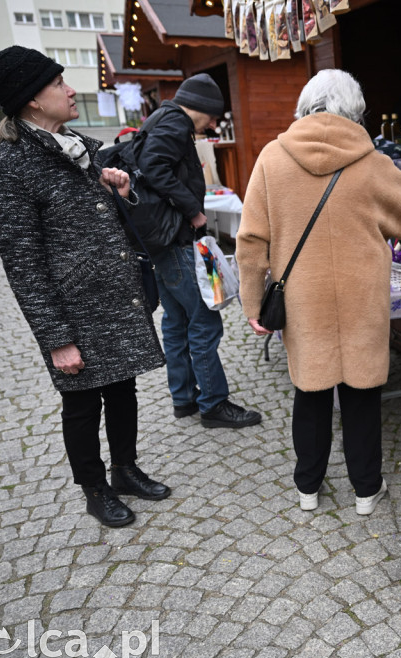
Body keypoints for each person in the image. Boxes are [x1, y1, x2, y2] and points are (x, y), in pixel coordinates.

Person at [0, 46, 171, 528]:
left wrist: (119, 192)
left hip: (113, 299)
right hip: (72, 310)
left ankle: (126, 470)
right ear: (32, 99)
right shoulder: (8, 168)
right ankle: (95, 489)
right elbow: (23, 266)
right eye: (59, 83)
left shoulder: (77, 149)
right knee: (82, 403)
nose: (71, 90)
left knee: (123, 389)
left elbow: (102, 221)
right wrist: (56, 339)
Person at [237, 70, 401, 515]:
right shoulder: (373, 163)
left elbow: (250, 240)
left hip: (302, 300)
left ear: (304, 106)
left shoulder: (272, 158)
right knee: (362, 394)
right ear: (357, 110)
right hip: (361, 300)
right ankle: (366, 490)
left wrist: (253, 303)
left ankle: (308, 488)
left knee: (310, 392)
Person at [135, 74, 262, 429]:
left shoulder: (160, 119)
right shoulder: (175, 123)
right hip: (176, 239)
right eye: (212, 116)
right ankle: (213, 404)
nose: (213, 124)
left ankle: (184, 398)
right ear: (200, 108)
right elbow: (153, 167)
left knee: (176, 322)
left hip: (160, 243)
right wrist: (192, 210)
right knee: (204, 321)